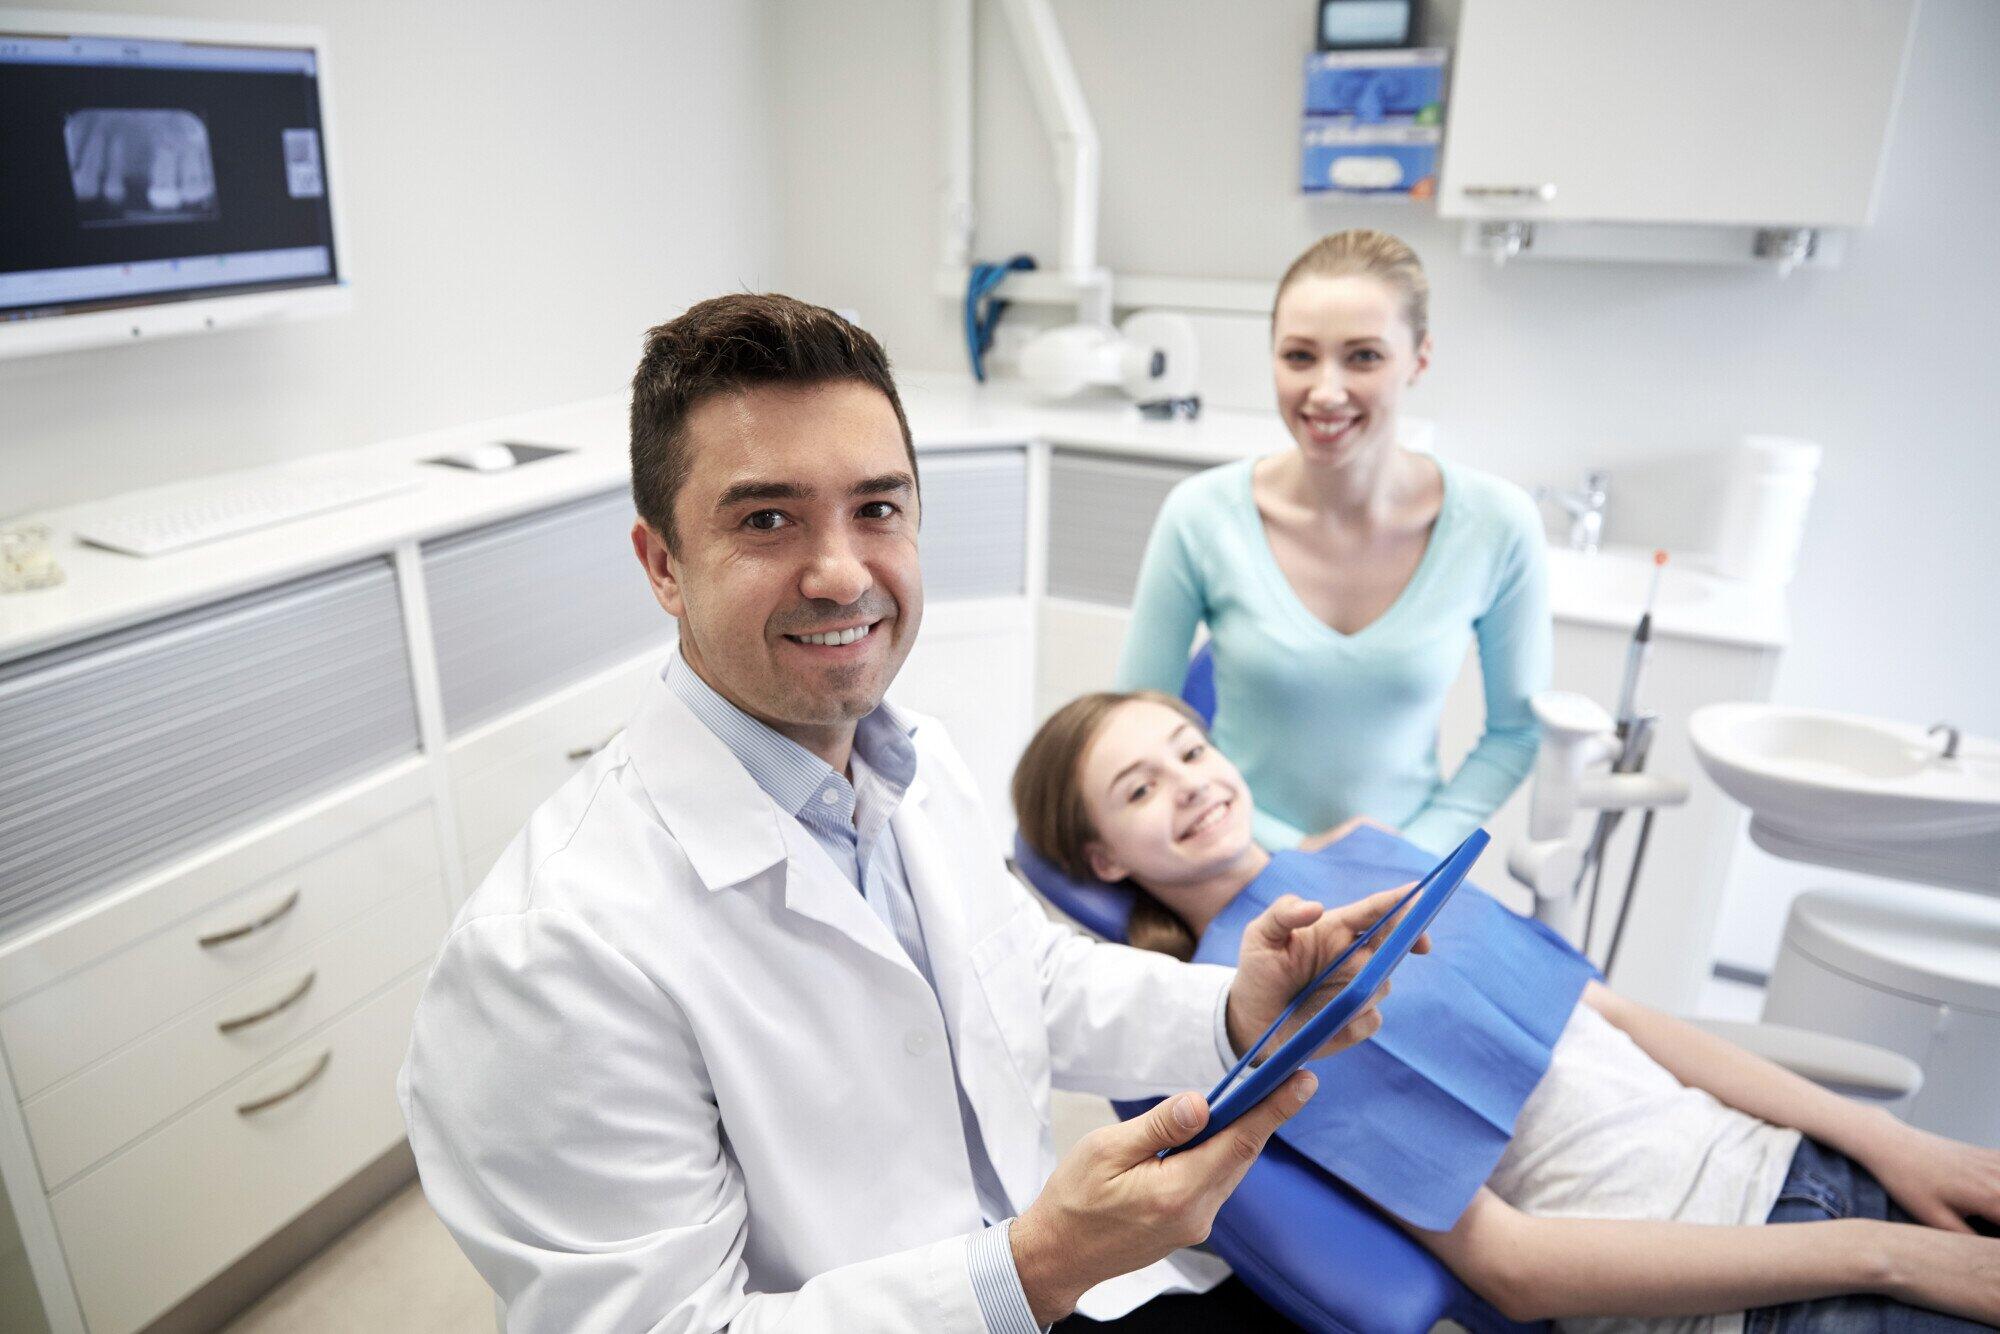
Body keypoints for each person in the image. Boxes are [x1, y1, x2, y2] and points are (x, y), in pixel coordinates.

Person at [397, 294, 1424, 1332]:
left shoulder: (913, 761)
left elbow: (1019, 975)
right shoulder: (549, 952)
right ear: (662, 562)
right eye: (765, 519)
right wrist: (1032, 1267)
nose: (841, 571)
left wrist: (1229, 1010)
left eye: (876, 509)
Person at [1010, 689, 2000, 1333]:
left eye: (1188, 749)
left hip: (1803, 1163)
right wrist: (1884, 1256)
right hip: (1739, 1287)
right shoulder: (1236, 1018)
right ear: (1103, 858)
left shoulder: (1368, 845)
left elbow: (1614, 1014)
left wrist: (1887, 1144)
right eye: (1139, 787)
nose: (1186, 784)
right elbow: (1511, 1267)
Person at [1116, 228, 1547, 857]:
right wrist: (1292, 849)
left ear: (1419, 359)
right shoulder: (1201, 516)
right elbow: (1137, 721)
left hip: (1407, 870)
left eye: (1364, 357)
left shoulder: (1499, 525)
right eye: (1299, 357)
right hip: (1233, 857)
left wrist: (1411, 853)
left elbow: (1516, 732)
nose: (1325, 390)